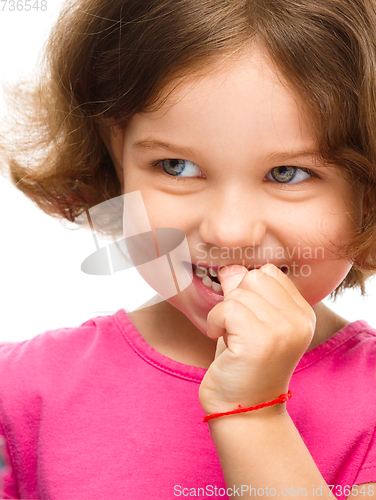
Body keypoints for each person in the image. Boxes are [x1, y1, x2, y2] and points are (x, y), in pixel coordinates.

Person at [1, 0, 376, 498]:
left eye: (289, 173)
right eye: (176, 166)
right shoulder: (21, 392)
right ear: (113, 165)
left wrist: (254, 414)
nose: (228, 232)